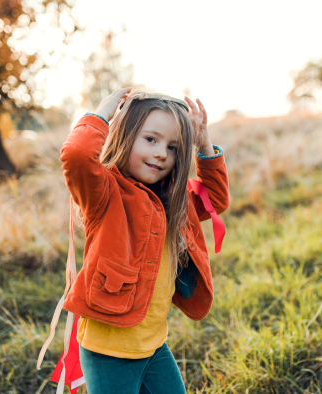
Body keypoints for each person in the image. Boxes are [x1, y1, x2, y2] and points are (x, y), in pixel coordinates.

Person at [59, 87, 230, 393]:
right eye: (151, 139)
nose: (162, 153)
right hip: (108, 351)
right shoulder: (105, 193)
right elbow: (77, 156)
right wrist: (102, 113)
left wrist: (202, 142)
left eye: (174, 147)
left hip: (153, 347)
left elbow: (214, 199)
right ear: (125, 135)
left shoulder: (174, 200)